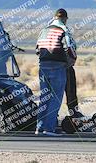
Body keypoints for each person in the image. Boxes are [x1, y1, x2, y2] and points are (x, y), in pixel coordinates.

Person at [35, 8, 77, 136]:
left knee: (44, 97)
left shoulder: (44, 30)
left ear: (54, 17)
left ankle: (39, 128)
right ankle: (49, 128)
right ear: (64, 19)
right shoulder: (63, 30)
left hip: (43, 66)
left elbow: (37, 50)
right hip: (58, 67)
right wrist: (71, 61)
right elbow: (69, 49)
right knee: (55, 97)